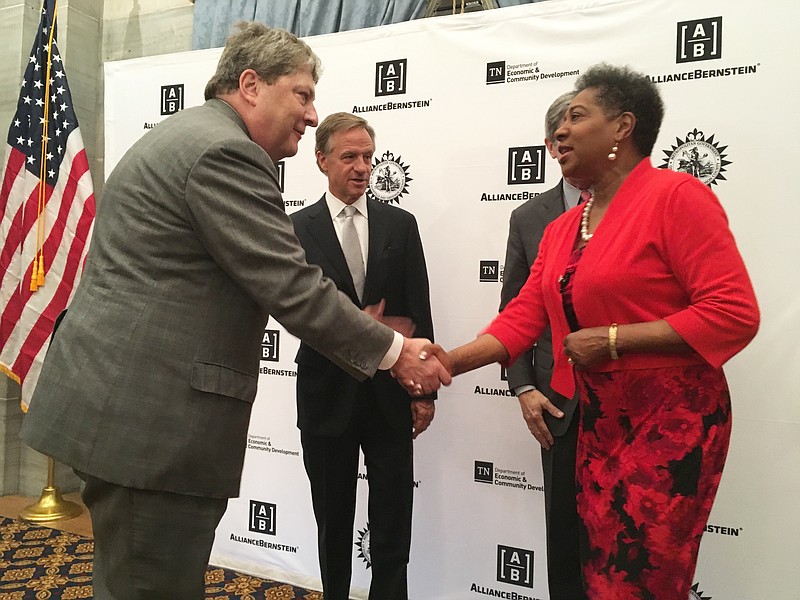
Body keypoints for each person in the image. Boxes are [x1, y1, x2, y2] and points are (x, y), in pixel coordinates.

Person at [19, 23, 449, 600]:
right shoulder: (225, 152)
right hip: (154, 430)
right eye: (301, 93)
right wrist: (395, 352)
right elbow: (292, 286)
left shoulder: (187, 135)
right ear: (250, 85)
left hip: (127, 417)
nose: (313, 113)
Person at [421, 64, 759, 599]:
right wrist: (447, 362)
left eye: (577, 117)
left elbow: (733, 311)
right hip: (596, 423)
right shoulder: (562, 228)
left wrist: (615, 339)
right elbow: (522, 317)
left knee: (642, 577)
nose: (559, 132)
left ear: (623, 128)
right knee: (599, 570)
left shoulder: (677, 197)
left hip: (669, 421)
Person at [291, 112, 434, 600]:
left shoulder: (401, 225)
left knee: (394, 517)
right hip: (325, 395)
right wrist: (365, 329)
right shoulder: (294, 229)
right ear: (321, 160)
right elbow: (296, 313)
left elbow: (419, 313)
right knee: (333, 519)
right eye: (349, 156)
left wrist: (425, 392)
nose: (362, 167)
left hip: (391, 394)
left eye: (368, 157)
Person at [499, 91, 586, 600]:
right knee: (565, 539)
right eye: (564, 132)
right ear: (552, 147)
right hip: (557, 402)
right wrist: (523, 386)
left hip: (631, 404)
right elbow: (516, 311)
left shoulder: (643, 204)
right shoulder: (530, 218)